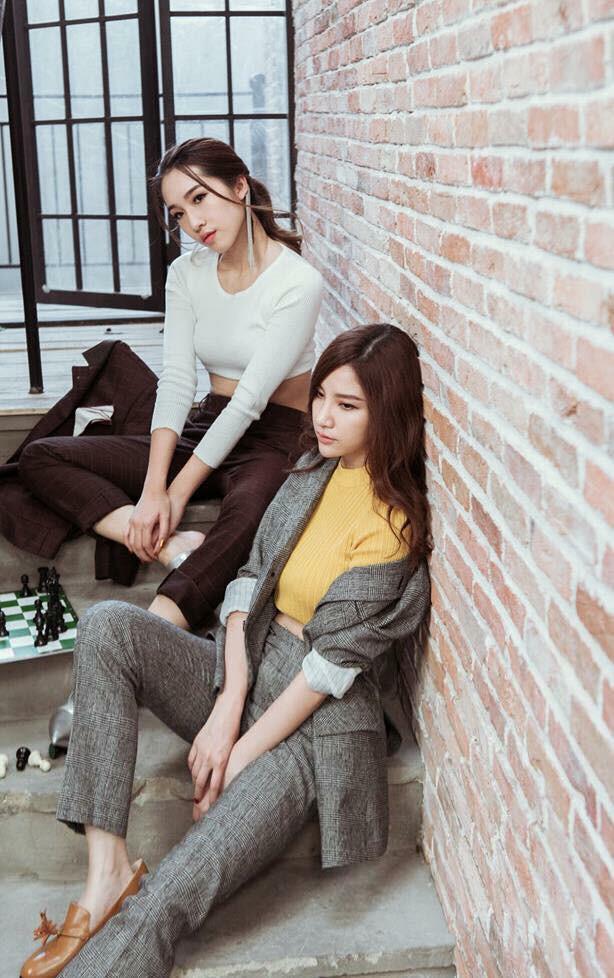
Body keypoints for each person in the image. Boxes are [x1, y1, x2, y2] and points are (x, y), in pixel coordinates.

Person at [19, 323, 432, 978]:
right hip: (245, 660)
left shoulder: (393, 524)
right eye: (321, 396)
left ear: (390, 413)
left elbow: (326, 670)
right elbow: (248, 580)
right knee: (108, 626)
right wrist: (227, 702)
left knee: (165, 903)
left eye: (347, 405)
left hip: (308, 727)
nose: (323, 416)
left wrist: (239, 752)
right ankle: (105, 876)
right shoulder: (311, 472)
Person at [18, 137, 324, 630]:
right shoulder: (186, 273)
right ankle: (170, 548)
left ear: (239, 186)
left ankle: (151, 630)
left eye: (199, 198)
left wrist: (176, 497)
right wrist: (153, 490)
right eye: (179, 213)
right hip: (208, 422)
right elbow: (179, 381)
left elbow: (249, 403)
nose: (193, 222)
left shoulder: (297, 282)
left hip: (276, 435)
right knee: (40, 457)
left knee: (249, 520)